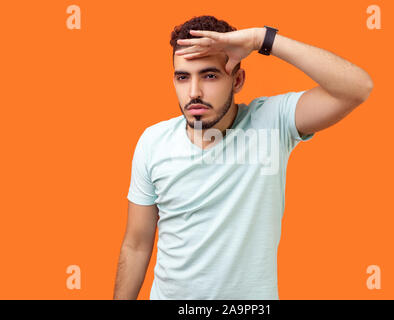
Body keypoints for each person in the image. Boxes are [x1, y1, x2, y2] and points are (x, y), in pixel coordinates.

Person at [113, 15, 373, 300]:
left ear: (237, 80)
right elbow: (136, 245)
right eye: (183, 77)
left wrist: (262, 39)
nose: (194, 92)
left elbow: (357, 87)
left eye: (210, 75)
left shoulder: (272, 122)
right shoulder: (152, 142)